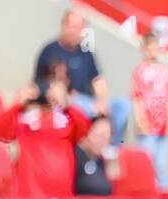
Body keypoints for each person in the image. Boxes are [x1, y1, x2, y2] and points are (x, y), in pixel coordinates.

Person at [34, 10, 129, 144]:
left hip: (89, 101)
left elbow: (97, 80)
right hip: (66, 101)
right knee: (79, 102)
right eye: (72, 26)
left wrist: (102, 101)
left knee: (124, 106)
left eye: (79, 28)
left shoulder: (86, 52)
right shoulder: (50, 51)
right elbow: (40, 84)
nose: (75, 31)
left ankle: (111, 147)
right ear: (64, 26)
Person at [0, 77, 91, 199]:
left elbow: (85, 130)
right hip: (30, 198)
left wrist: (67, 104)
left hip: (63, 198)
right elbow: (2, 132)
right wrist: (18, 104)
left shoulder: (67, 118)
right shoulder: (23, 118)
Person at [131, 32, 168, 189]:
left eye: (155, 48)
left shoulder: (166, 71)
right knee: (147, 163)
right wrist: (139, 120)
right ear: (143, 49)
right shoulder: (140, 71)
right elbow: (136, 98)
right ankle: (146, 193)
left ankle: (163, 194)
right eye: (149, 48)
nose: (152, 52)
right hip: (147, 126)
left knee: (161, 164)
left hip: (162, 125)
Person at [74, 115, 114, 196]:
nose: (101, 142)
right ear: (87, 133)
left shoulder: (103, 161)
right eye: (99, 136)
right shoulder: (74, 157)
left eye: (106, 138)